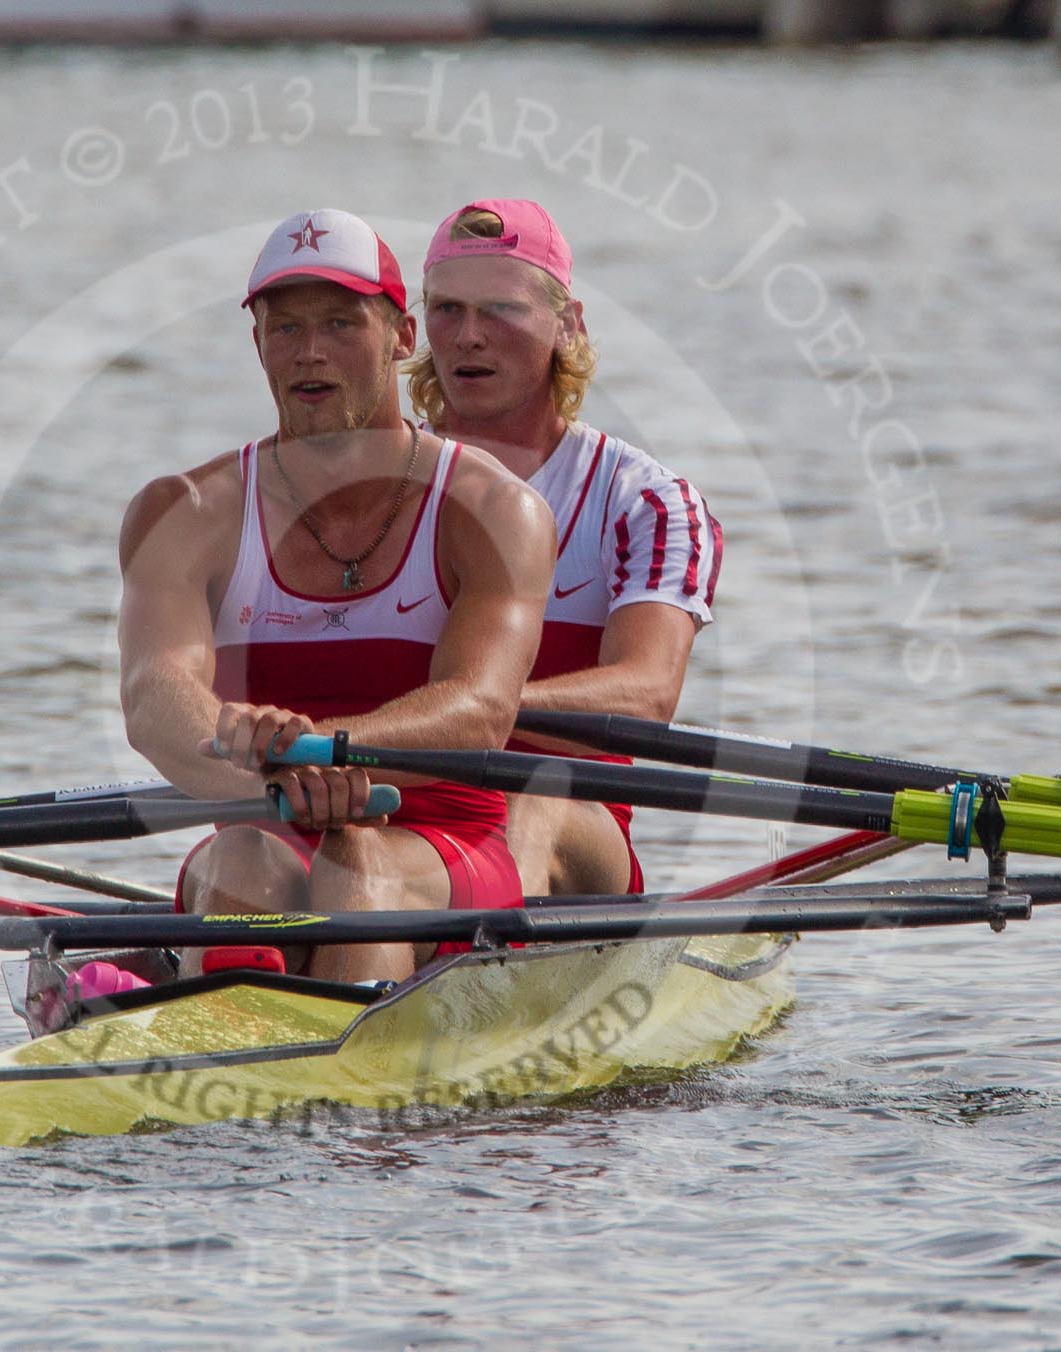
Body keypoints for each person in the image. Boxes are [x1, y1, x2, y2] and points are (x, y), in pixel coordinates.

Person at [117, 208, 555, 985]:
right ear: (257, 345)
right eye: (284, 329)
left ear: (402, 337)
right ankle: (232, 1059)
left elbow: (480, 709)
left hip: (444, 844)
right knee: (244, 858)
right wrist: (270, 779)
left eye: (341, 324)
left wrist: (325, 751)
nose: (310, 353)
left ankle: (328, 1076)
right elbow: (156, 699)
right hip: (263, 825)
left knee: (357, 864)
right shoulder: (181, 512)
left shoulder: (494, 511)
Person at [409, 198, 723, 897]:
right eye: (446, 310)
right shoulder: (371, 483)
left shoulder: (645, 502)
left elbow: (645, 695)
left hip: (568, 819)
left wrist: (470, 709)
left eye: (501, 311)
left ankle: (474, 971)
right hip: (405, 812)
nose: (467, 336)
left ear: (567, 325)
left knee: (534, 801)